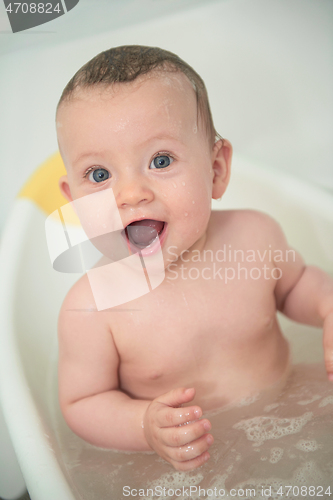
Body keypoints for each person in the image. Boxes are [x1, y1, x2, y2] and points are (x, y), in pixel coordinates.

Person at [56, 45, 333, 471]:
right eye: (99, 175)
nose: (131, 194)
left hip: (294, 413)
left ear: (216, 169)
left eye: (160, 160)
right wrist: (144, 426)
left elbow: (296, 286)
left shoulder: (255, 237)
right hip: (186, 467)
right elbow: (82, 402)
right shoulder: (91, 307)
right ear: (74, 202)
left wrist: (327, 306)